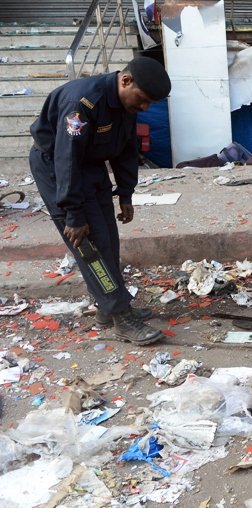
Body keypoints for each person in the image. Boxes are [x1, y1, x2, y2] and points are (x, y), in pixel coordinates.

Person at [29, 56, 171, 346]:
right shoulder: (82, 103)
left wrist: (126, 194)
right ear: (126, 80)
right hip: (58, 168)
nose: (144, 108)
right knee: (89, 245)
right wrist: (73, 213)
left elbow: (126, 150)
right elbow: (66, 158)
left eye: (149, 104)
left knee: (108, 239)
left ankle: (108, 309)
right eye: (143, 100)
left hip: (90, 165)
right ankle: (121, 318)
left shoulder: (125, 104)